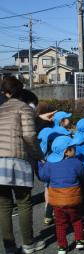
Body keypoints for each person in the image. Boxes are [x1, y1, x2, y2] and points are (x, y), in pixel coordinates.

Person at [0, 76, 46, 254]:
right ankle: (28, 244)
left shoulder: (1, 109)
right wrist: (39, 155)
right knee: (24, 202)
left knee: (4, 205)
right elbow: (29, 136)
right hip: (17, 159)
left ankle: (10, 248)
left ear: (5, 92)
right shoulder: (24, 108)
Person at [38, 136, 84, 254]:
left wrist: (40, 165)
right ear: (66, 151)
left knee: (60, 224)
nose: (75, 149)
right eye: (73, 148)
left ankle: (62, 247)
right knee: (76, 220)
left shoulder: (49, 164)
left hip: (57, 200)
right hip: (73, 198)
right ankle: (80, 241)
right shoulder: (76, 162)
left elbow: (43, 177)